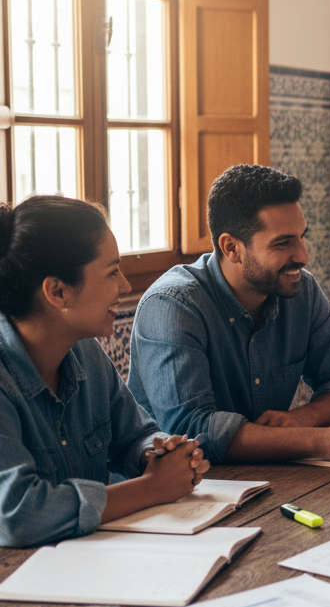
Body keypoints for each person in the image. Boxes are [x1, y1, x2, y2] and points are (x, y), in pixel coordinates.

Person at [128, 165, 330, 465]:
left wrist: (299, 420)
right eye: (283, 243)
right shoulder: (172, 306)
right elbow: (191, 429)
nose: (303, 256)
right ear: (231, 248)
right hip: (178, 497)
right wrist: (320, 440)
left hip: (266, 478)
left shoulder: (301, 290)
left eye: (301, 237)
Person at [0, 196, 209, 548]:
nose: (125, 286)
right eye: (112, 272)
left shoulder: (85, 351)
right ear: (58, 291)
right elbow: (18, 514)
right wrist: (152, 488)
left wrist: (156, 454)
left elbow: (133, 435)